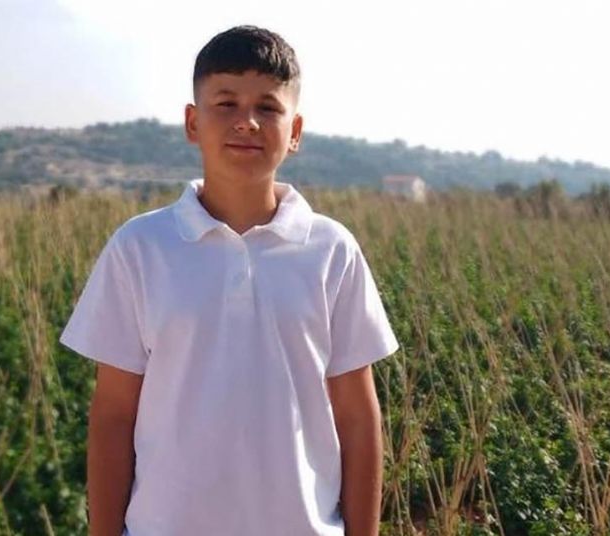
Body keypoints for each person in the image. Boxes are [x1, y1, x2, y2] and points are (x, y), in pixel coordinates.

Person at [59, 24, 399, 536]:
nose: (247, 121)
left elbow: (357, 415)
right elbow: (113, 414)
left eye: (268, 107)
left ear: (295, 131)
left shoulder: (332, 251)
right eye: (226, 104)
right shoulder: (140, 247)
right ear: (193, 122)